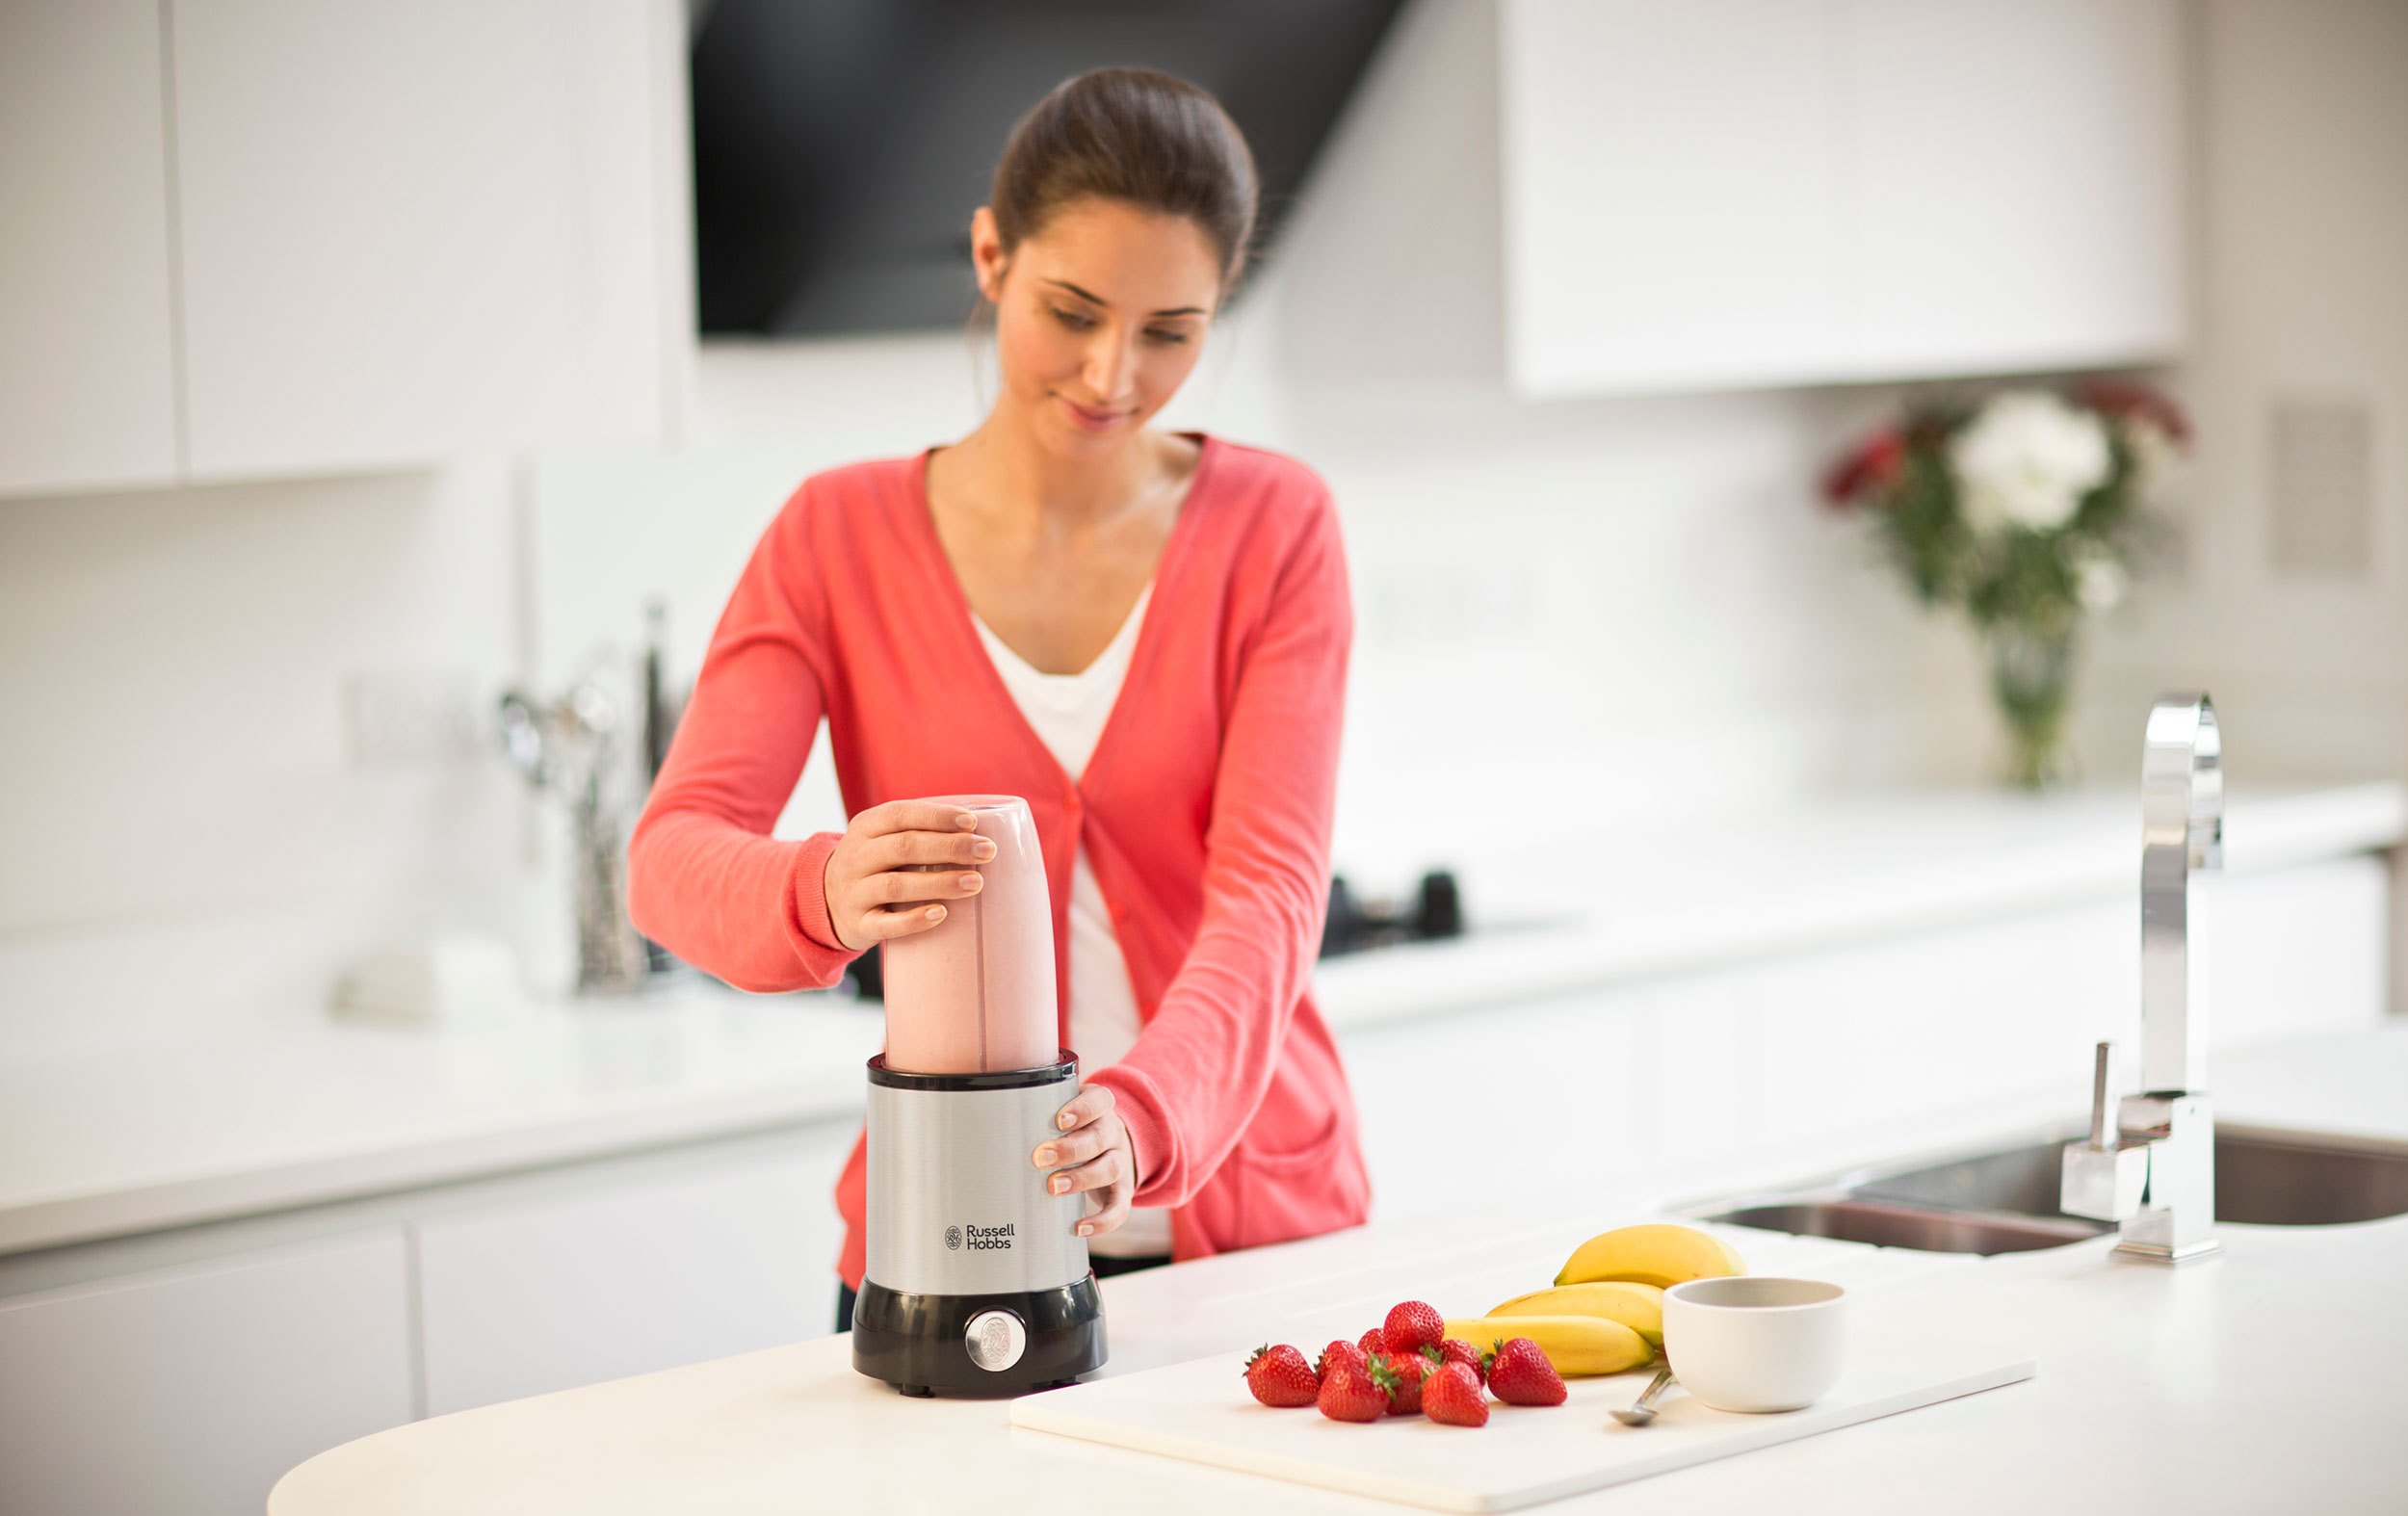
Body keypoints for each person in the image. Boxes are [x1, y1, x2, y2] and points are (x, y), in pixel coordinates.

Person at [626, 65, 1370, 1335]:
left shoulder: (1277, 528)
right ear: (990, 256)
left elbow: (1271, 897)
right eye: (1072, 311)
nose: (1111, 373)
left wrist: (1145, 1115)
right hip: (945, 1235)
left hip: (1253, 1242)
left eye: (1171, 331)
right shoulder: (833, 537)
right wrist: (823, 887)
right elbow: (667, 860)